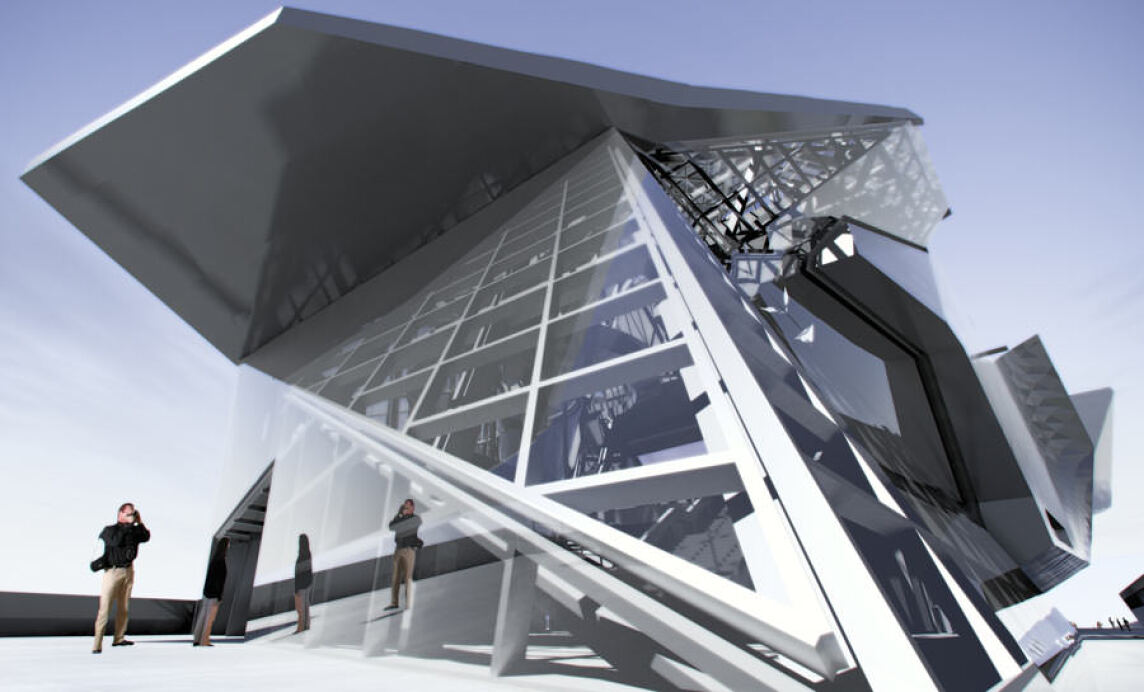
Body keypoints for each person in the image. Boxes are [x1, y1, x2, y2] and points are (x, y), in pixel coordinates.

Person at [92, 502, 150, 654]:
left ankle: (119, 638)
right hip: (112, 572)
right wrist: (128, 527)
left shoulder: (133, 530)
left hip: (128, 570)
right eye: (129, 514)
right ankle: (97, 644)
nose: (132, 517)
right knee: (105, 608)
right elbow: (116, 541)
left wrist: (139, 521)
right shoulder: (110, 530)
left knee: (124, 607)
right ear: (120, 514)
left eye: (133, 514)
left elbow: (145, 536)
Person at [385, 499, 422, 610]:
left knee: (407, 578)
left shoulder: (415, 519)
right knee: (395, 577)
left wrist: (402, 519)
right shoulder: (400, 519)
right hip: (398, 549)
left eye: (407, 507)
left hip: (408, 551)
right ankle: (394, 602)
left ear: (412, 508)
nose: (405, 509)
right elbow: (391, 527)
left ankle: (409, 603)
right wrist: (399, 515)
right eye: (404, 507)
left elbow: (407, 527)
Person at [195, 537, 229, 646]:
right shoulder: (221, 562)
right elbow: (220, 581)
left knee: (202, 617)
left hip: (207, 593)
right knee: (209, 618)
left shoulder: (214, 561)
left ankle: (197, 639)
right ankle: (204, 640)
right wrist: (219, 595)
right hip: (214, 594)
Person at [294, 534, 312, 633]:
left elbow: (299, 573)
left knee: (301, 608)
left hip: (301, 585)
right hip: (307, 583)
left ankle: (301, 627)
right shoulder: (308, 554)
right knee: (306, 606)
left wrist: (296, 588)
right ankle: (306, 625)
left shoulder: (301, 556)